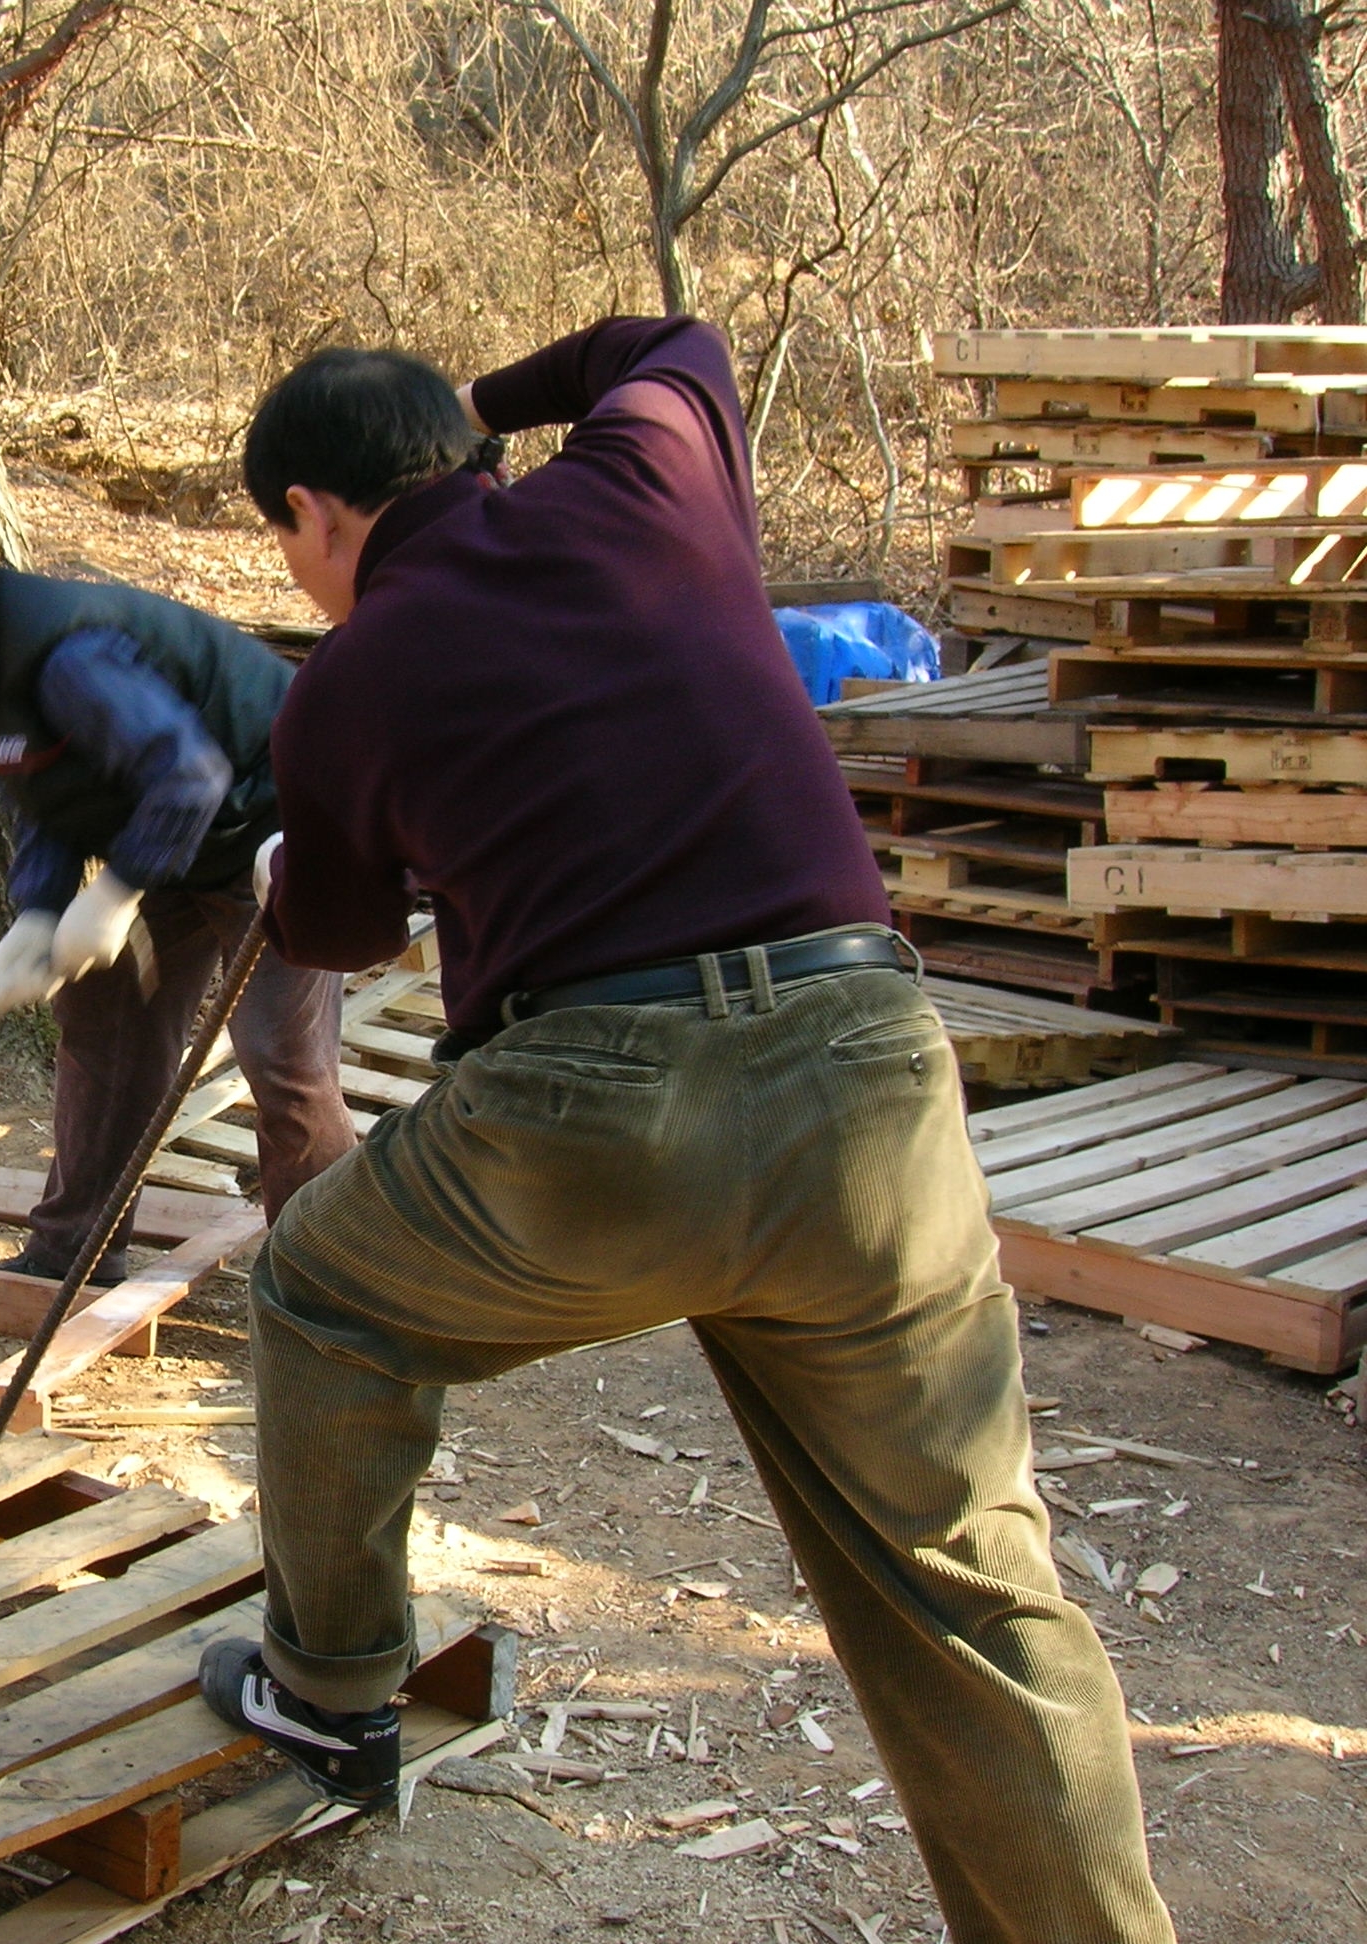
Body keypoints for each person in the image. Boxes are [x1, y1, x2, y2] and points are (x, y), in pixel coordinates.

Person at [193, 323, 1175, 1944]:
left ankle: (331, 1688)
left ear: (309, 511)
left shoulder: (350, 675)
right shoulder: (650, 474)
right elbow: (669, 341)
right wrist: (477, 410)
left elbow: (339, 932)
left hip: (601, 1113)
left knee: (320, 1293)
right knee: (971, 1586)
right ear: (458, 450)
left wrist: (287, 856)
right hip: (867, 1079)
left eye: (286, 542)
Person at [0, 513, 354, 1284]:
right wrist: (40, 915)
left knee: (282, 1057)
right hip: (179, 836)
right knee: (106, 1024)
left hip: (280, 823)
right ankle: (70, 1252)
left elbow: (189, 775)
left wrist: (113, 893)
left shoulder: (69, 655)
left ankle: (334, 1281)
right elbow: (44, 800)